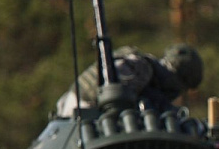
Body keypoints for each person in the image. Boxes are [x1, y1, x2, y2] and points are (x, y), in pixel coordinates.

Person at [55, 43, 204, 117]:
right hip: (85, 114)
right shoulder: (142, 68)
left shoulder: (143, 67)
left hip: (69, 108)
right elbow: (112, 97)